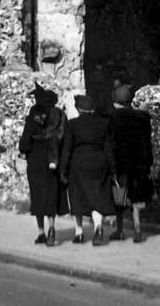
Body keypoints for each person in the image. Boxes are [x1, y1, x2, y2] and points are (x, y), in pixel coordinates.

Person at [59, 94, 116, 246]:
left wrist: (62, 170)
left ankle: (79, 233)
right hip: (99, 162)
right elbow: (108, 148)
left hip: (78, 164)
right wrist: (113, 169)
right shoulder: (103, 124)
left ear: (78, 109)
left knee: (76, 197)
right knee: (97, 196)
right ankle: (98, 227)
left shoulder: (72, 125)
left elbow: (67, 149)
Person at [18, 82, 68, 247]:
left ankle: (41, 232)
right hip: (51, 160)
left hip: (36, 161)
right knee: (51, 194)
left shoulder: (33, 116)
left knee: (38, 196)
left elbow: (24, 145)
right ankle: (52, 227)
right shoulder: (58, 116)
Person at [107, 80, 154, 243]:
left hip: (120, 163)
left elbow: (110, 143)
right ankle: (137, 226)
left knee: (119, 196)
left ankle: (119, 230)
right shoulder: (142, 117)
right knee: (136, 196)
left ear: (115, 101)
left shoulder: (112, 118)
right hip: (139, 163)